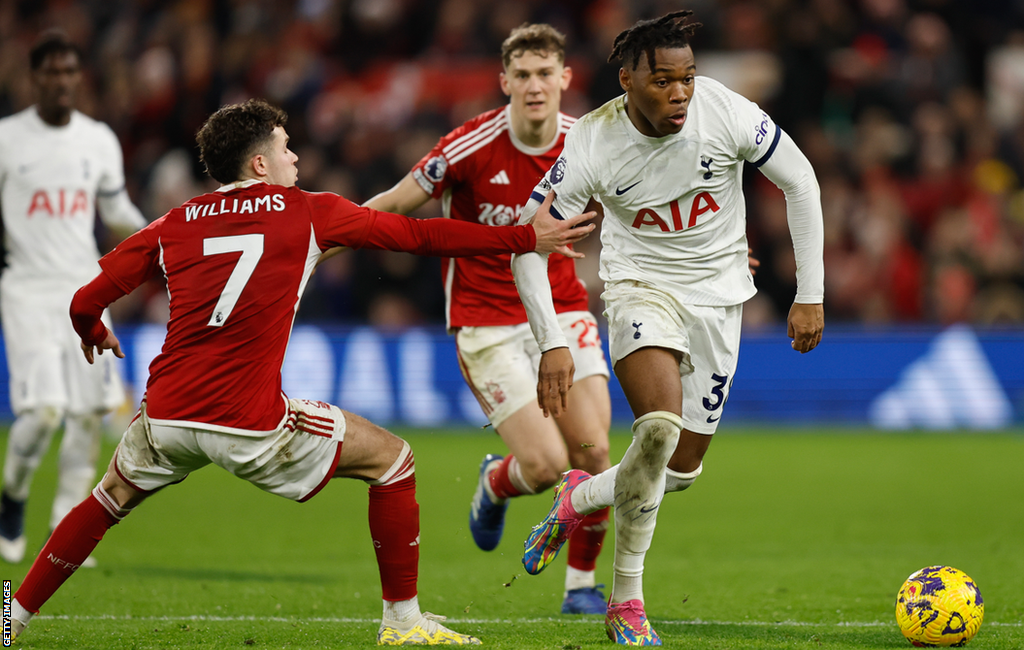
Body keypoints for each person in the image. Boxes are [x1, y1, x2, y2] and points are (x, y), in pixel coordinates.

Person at [7, 98, 594, 646]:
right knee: (393, 461)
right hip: (248, 421)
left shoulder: (174, 222)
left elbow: (85, 300)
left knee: (107, 498)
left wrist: (95, 331)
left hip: (165, 413)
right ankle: (403, 622)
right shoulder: (310, 211)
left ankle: (12, 618)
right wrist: (522, 236)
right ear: (259, 162)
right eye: (286, 148)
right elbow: (420, 235)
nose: (295, 157)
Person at [511, 11, 825, 646]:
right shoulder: (594, 142)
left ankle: (581, 495)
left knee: (676, 469)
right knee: (655, 431)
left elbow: (801, 180)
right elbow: (525, 239)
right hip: (640, 290)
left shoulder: (725, 111)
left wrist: (809, 293)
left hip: (720, 299)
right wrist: (551, 340)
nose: (679, 93)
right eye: (662, 81)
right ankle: (627, 601)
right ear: (627, 79)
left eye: (686, 78)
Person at [361, 23, 614, 614]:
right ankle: (497, 482)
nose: (533, 85)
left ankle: (581, 587)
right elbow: (397, 204)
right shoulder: (468, 147)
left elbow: (651, 199)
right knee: (548, 465)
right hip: (486, 320)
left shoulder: (591, 142)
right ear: (504, 81)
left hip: (563, 307)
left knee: (595, 456)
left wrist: (720, 246)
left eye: (544, 73)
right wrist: (319, 241)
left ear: (565, 79)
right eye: (521, 75)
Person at [0, 31, 147, 565]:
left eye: (69, 72)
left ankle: (64, 522)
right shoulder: (6, 139)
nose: (61, 81)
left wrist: (161, 234)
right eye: (51, 72)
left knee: (88, 413)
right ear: (33, 78)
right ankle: (12, 496)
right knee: (42, 412)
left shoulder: (98, 139)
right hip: (26, 288)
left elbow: (116, 213)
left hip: (83, 288)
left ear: (79, 77)